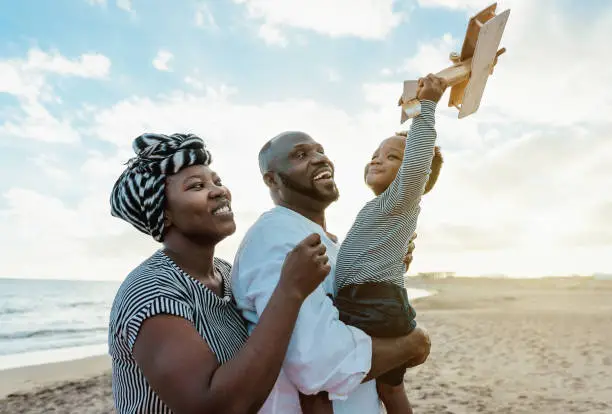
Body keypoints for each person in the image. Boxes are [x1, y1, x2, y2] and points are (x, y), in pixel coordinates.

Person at [230, 78, 442, 414]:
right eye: (301, 155)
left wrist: (390, 264)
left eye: (320, 151)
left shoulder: (332, 239)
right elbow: (317, 364)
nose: (319, 159)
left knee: (390, 389)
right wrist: (412, 343)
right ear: (272, 180)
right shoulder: (277, 235)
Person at [107, 132, 333, 414]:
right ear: (163, 213)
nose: (219, 191)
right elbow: (213, 406)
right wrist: (290, 291)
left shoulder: (226, 273)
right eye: (197, 186)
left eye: (217, 181)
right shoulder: (152, 289)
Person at [332, 74, 447, 414]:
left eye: (393, 157)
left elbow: (416, 165)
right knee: (390, 389)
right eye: (375, 154)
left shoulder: (402, 197)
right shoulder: (381, 208)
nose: (377, 160)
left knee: (327, 374)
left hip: (375, 304)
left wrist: (426, 108)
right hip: (370, 300)